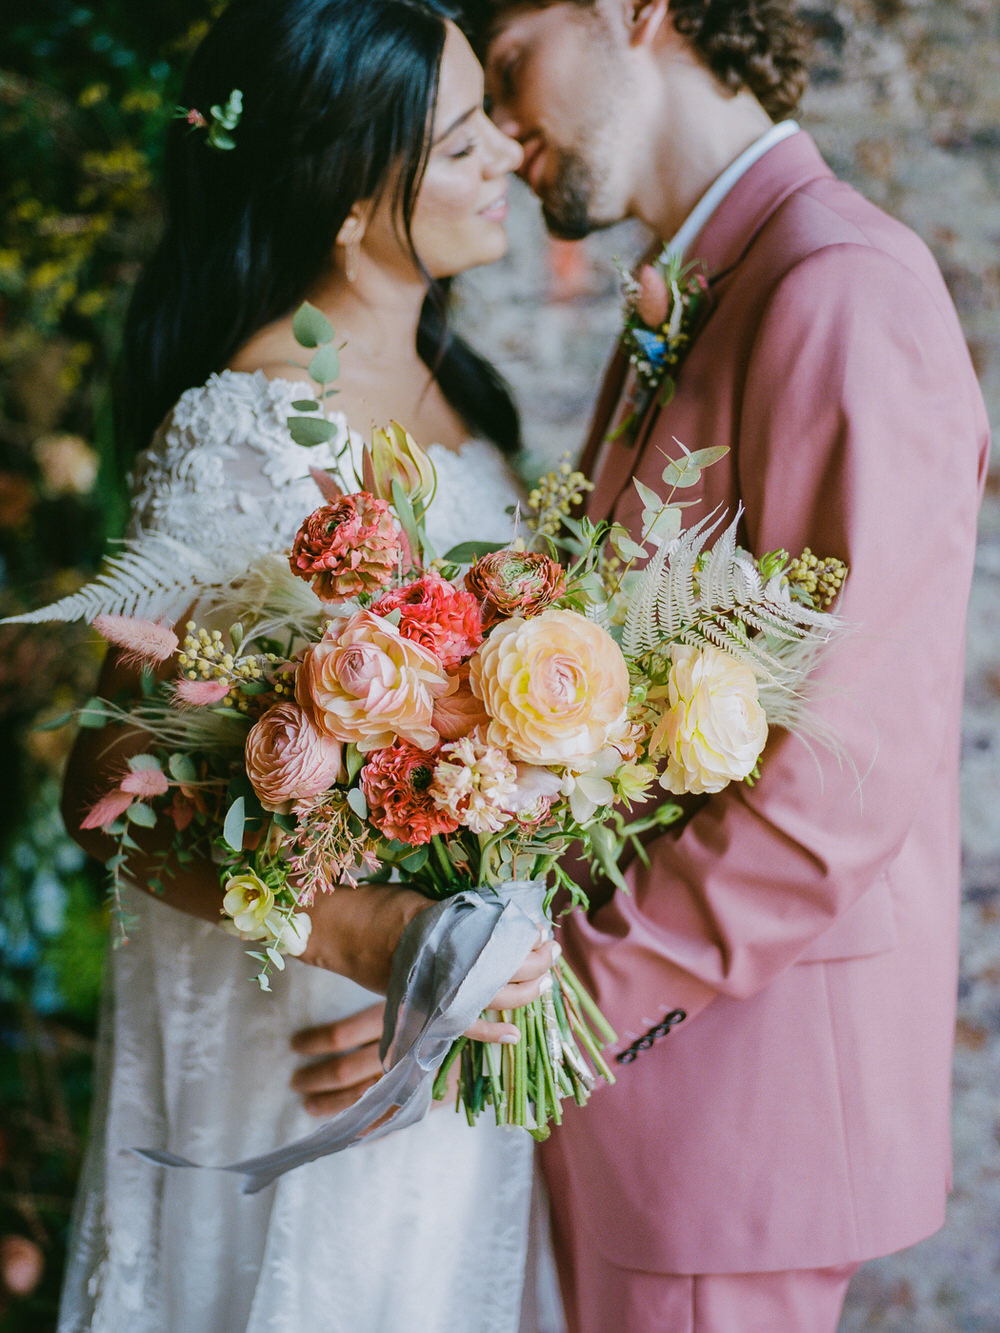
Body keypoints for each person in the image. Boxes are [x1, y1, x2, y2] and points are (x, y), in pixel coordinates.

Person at [460, 1, 990, 1330]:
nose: (496, 113)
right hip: (655, 1094)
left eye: (510, 53)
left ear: (636, 12)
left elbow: (845, 775)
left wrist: (566, 995)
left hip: (727, 1101)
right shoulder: (713, 287)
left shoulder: (841, 287)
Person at [57, 3, 555, 1330]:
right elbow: (106, 782)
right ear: (348, 196)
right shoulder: (248, 428)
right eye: (460, 145)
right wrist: (364, 932)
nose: (507, 151)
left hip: (451, 1053)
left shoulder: (477, 403)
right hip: (304, 1049)